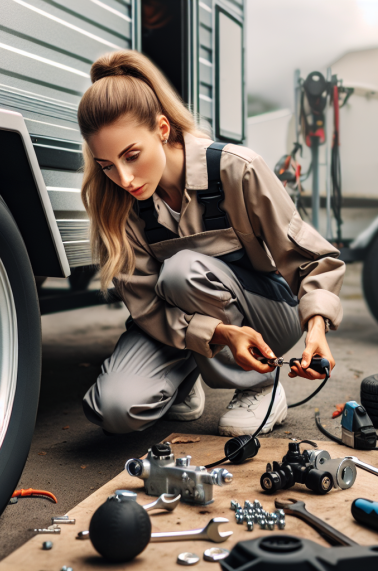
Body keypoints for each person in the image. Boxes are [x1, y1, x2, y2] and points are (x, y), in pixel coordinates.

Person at [77, 50, 345, 437]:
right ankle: (184, 383)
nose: (125, 178)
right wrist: (218, 334)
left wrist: (317, 327)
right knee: (115, 410)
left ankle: (260, 388)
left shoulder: (238, 169)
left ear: (163, 129)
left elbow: (312, 260)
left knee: (181, 271)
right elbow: (147, 306)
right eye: (107, 166)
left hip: (267, 315)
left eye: (132, 156)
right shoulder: (115, 204)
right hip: (179, 326)